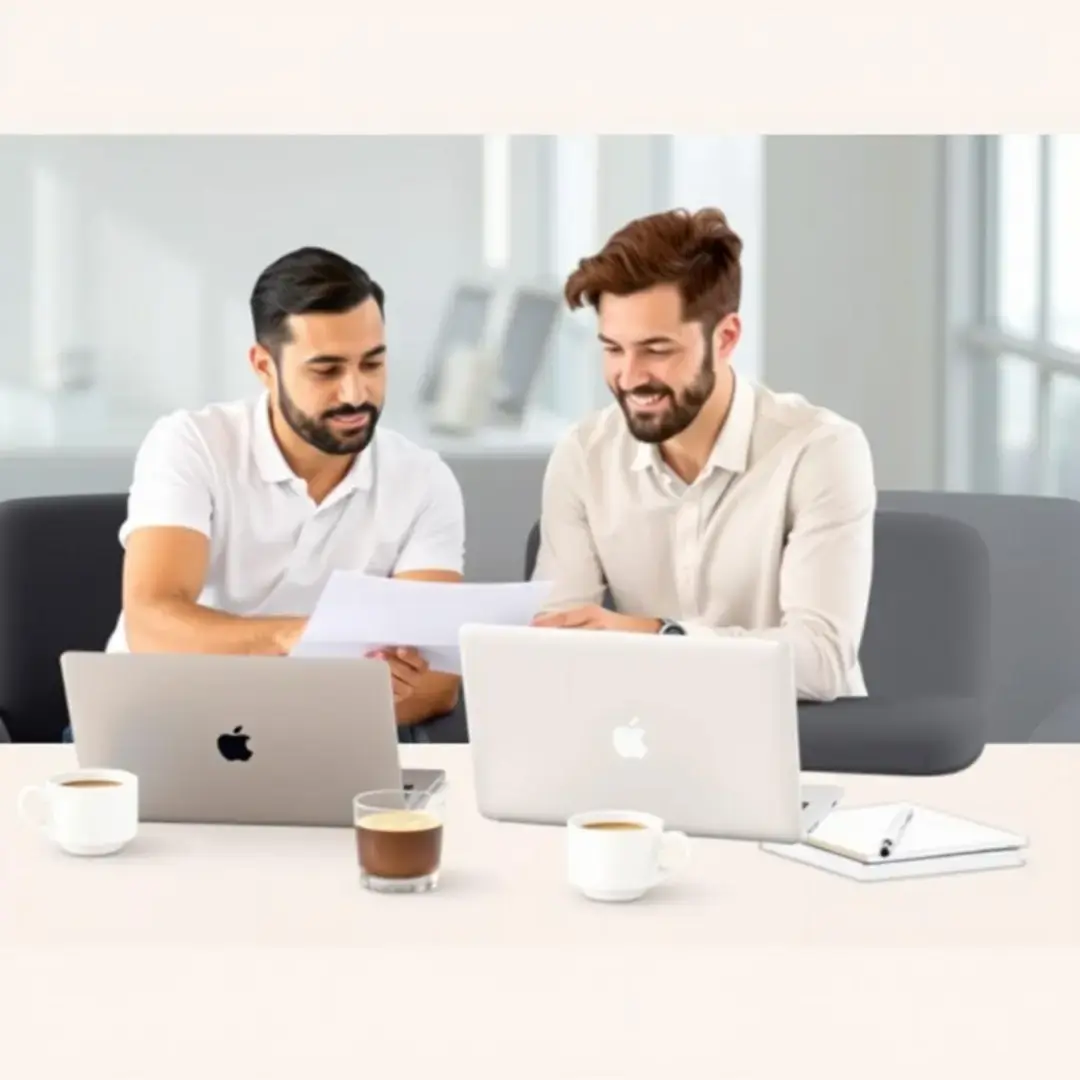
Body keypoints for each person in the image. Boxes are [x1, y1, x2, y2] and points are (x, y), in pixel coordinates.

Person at [70, 247, 465, 740]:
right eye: (326, 370)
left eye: (372, 363)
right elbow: (153, 623)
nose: (356, 393)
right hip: (163, 723)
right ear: (263, 366)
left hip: (325, 740)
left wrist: (291, 694)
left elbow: (438, 682)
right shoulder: (192, 444)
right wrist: (297, 639)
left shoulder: (424, 480)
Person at [531, 208, 876, 702]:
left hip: (806, 742)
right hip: (642, 736)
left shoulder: (820, 451)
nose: (629, 377)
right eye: (612, 349)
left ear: (726, 338)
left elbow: (820, 661)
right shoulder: (583, 456)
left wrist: (657, 637)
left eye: (657, 349)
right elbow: (553, 647)